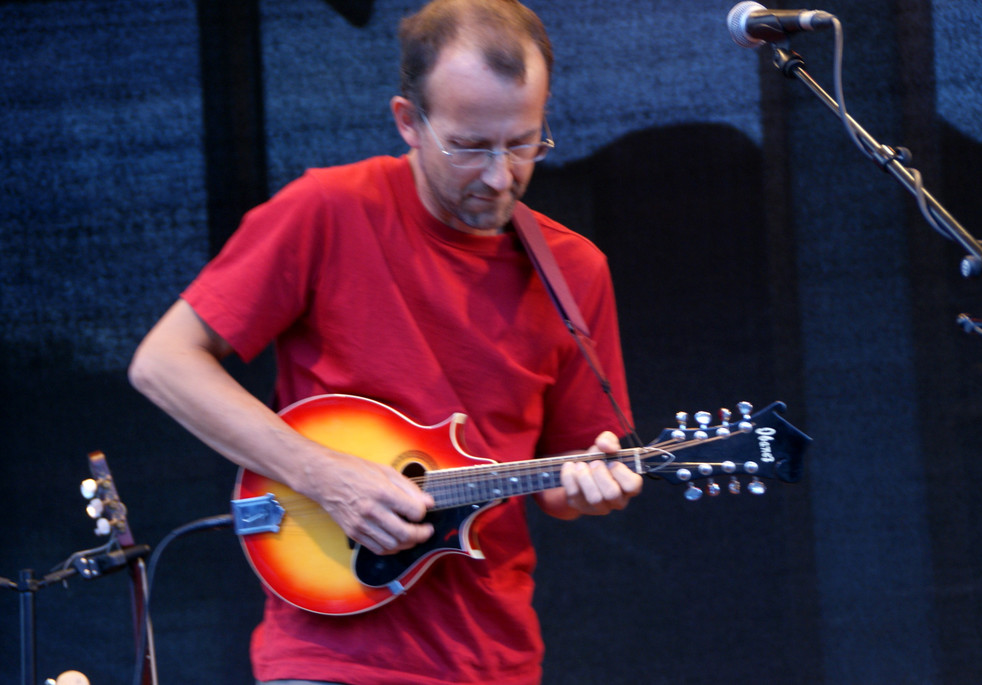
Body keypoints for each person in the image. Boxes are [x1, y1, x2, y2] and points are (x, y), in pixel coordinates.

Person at [128, 1, 642, 683]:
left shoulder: (574, 271)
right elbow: (163, 363)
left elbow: (566, 482)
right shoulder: (329, 211)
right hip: (328, 654)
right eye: (470, 146)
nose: (500, 175)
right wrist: (323, 476)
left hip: (492, 658)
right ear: (408, 121)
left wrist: (594, 487)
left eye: (523, 144)